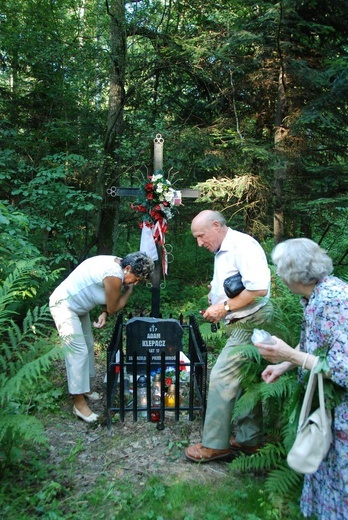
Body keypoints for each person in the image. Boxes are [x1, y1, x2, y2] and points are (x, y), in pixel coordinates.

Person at [254, 238, 348, 520]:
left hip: (342, 412)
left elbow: (342, 369)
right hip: (327, 409)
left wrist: (290, 356)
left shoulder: (335, 301)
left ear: (294, 273)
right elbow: (315, 346)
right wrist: (284, 364)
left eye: (280, 269)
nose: (278, 276)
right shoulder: (312, 296)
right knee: (325, 470)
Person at [185, 210, 273, 462]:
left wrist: (223, 307)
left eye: (201, 236)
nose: (199, 243)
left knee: (222, 376)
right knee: (246, 379)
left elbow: (258, 288)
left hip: (252, 321)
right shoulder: (223, 248)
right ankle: (249, 439)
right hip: (241, 321)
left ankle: (215, 444)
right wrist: (216, 300)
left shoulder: (242, 245)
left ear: (216, 226)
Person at [49, 252, 154, 423]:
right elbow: (114, 307)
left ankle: (85, 388)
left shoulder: (118, 265)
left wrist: (104, 312)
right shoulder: (115, 276)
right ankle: (78, 403)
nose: (134, 283)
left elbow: (104, 296)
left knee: (88, 344)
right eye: (135, 279)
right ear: (128, 268)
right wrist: (129, 292)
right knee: (78, 351)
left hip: (78, 307)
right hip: (64, 305)